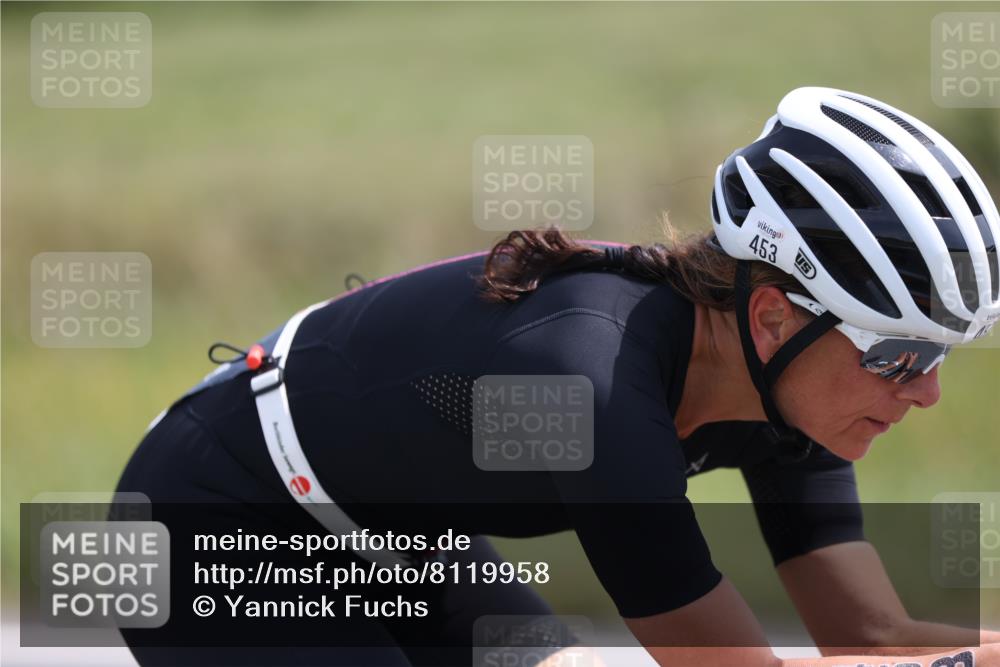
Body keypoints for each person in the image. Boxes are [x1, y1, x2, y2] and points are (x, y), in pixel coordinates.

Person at [115, 86, 1000, 667]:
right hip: (214, 518)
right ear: (773, 314)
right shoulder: (594, 386)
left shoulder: (782, 389)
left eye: (937, 357)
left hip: (397, 535)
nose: (924, 391)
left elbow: (872, 638)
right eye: (899, 354)